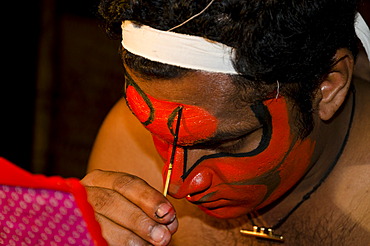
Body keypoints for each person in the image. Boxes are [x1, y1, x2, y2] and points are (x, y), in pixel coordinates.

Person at [81, 0, 370, 245]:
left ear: (327, 87)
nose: (180, 187)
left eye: (228, 142)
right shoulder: (125, 143)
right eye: (157, 133)